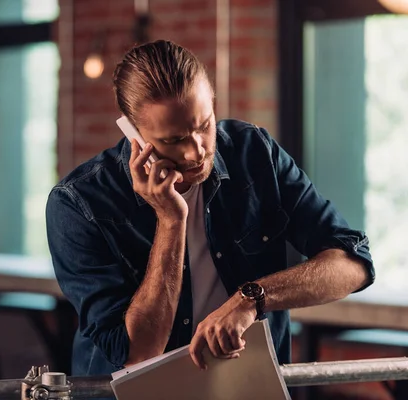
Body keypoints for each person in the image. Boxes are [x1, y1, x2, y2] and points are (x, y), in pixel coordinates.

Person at [46, 40, 374, 377]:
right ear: (133, 133)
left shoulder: (255, 153)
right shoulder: (78, 204)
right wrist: (171, 221)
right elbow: (139, 351)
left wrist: (251, 299)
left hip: (248, 386)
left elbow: (354, 263)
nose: (196, 152)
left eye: (204, 126)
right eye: (173, 140)